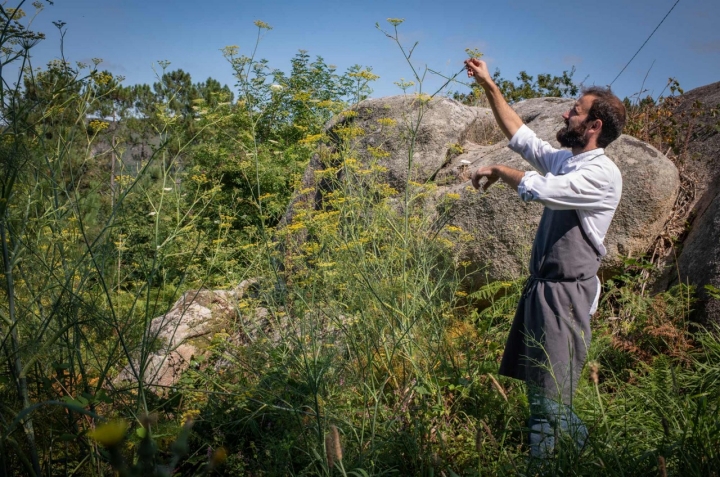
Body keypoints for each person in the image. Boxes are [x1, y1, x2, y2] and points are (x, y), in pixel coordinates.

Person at [463, 58, 626, 458]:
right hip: (544, 291)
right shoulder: (569, 160)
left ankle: (552, 465)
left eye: (576, 110)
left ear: (594, 126)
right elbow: (522, 137)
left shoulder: (601, 174)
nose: (567, 112)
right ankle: (590, 459)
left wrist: (501, 170)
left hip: (566, 296)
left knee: (549, 403)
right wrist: (489, 85)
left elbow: (544, 191)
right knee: (543, 396)